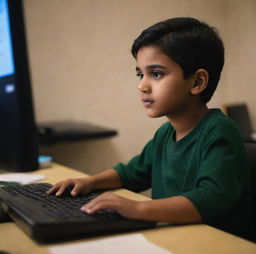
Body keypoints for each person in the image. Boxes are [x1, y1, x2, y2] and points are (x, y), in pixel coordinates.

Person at [48, 17, 253, 239]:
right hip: (175, 239)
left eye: (156, 74)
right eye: (140, 74)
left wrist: (136, 209)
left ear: (197, 82)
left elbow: (211, 200)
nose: (142, 86)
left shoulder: (219, 131)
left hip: (214, 244)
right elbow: (131, 173)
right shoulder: (165, 134)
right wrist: (89, 182)